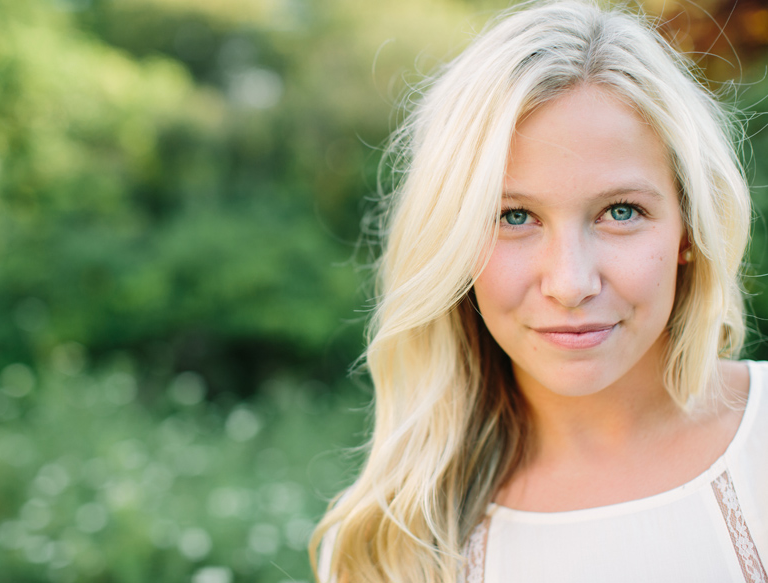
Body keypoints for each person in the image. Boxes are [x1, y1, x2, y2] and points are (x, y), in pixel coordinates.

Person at [309, 1, 767, 582]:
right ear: (449, 242)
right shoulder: (391, 545)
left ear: (690, 228)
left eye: (620, 211)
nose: (571, 284)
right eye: (514, 216)